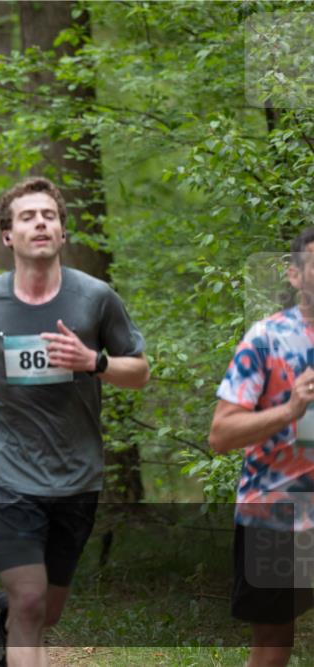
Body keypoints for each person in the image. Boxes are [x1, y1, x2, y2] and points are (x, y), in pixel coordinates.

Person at [0, 177, 149, 667]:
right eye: (28, 216)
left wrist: (93, 362)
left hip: (76, 474)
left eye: (49, 216)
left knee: (45, 610)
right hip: (11, 474)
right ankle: (18, 614)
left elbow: (138, 372)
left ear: (62, 232)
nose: (40, 222)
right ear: (8, 235)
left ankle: (6, 616)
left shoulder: (96, 298)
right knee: (31, 602)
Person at [208, 227, 314, 667]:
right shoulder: (266, 339)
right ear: (295, 275)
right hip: (277, 514)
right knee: (273, 643)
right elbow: (221, 434)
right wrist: (290, 410)